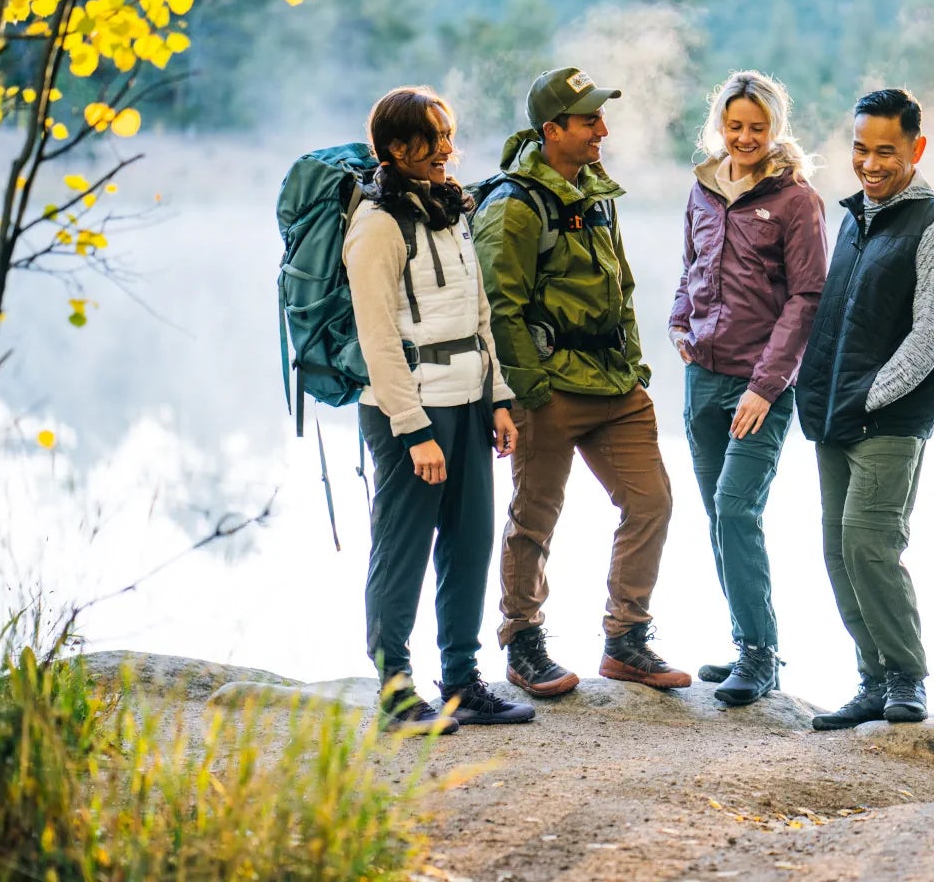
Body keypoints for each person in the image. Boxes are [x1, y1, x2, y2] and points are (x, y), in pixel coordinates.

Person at [476, 66, 691, 695]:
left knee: (650, 501)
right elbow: (499, 307)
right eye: (589, 120)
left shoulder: (596, 194)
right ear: (552, 130)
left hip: (615, 384)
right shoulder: (515, 206)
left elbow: (620, 284)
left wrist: (635, 361)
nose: (603, 129)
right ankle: (523, 641)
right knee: (536, 517)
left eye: (601, 117)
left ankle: (626, 640)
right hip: (549, 389)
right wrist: (527, 394)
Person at [345, 86, 537, 734]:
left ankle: (459, 682)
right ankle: (396, 691)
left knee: (468, 543)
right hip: (409, 414)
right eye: (435, 139)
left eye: (449, 136)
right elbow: (376, 338)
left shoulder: (450, 209)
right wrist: (413, 430)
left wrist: (499, 398)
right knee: (401, 549)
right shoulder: (375, 226)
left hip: (466, 400)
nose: (449, 151)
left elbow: (476, 313)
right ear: (397, 149)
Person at [794, 88, 934, 731]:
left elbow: (932, 335)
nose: (869, 163)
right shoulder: (854, 217)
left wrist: (871, 395)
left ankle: (907, 678)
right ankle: (871, 680)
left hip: (889, 419)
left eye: (885, 151)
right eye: (860, 149)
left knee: (871, 544)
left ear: (917, 149)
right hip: (833, 414)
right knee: (837, 550)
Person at [670, 71, 827, 707]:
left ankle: (761, 656)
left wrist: (767, 385)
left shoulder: (796, 201)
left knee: (738, 510)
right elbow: (691, 266)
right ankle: (744, 644)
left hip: (761, 389)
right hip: (701, 379)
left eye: (757, 128)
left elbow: (807, 297)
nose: (744, 137)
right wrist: (680, 320)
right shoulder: (702, 191)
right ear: (720, 126)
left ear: (775, 129)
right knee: (717, 518)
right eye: (735, 127)